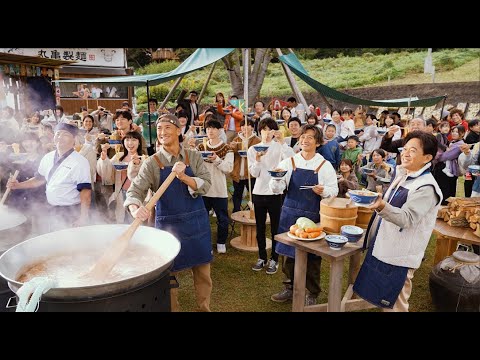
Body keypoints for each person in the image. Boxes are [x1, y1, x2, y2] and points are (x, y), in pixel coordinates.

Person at [124, 114, 213, 312]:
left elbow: (206, 184)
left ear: (178, 130)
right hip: (169, 226)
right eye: (159, 129)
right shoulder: (152, 163)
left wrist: (184, 177)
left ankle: (204, 307)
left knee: (203, 271)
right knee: (169, 274)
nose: (162, 132)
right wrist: (135, 209)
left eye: (167, 128)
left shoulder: (194, 156)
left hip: (196, 222)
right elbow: (134, 191)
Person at [353, 131, 442, 312]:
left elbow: (407, 218)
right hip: (385, 247)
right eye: (405, 148)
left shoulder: (426, 187)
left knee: (396, 304)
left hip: (400, 256)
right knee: (383, 298)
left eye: (413, 150)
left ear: (427, 157)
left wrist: (381, 206)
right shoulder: (404, 175)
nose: (406, 153)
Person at [269, 125, 338, 305]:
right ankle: (290, 288)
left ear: (318, 142)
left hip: (313, 216)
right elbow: (276, 189)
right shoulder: (289, 162)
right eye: (303, 136)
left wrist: (324, 190)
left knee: (313, 257)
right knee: (288, 255)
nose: (305, 140)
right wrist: (276, 179)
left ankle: (312, 292)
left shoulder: (324, 165)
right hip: (290, 213)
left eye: (310, 137)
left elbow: (334, 190)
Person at [7, 123, 92, 233]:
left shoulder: (80, 162)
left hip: (71, 211)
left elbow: (85, 192)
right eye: (58, 133)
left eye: (65, 134)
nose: (60, 137)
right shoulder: (47, 157)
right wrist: (18, 185)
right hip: (52, 209)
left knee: (70, 245)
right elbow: (39, 179)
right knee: (54, 241)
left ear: (74, 139)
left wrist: (83, 217)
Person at [248, 118, 296, 274]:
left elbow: (291, 159)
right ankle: (262, 257)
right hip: (258, 192)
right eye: (264, 129)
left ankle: (274, 259)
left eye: (270, 129)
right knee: (260, 227)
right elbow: (254, 173)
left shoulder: (279, 146)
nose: (267, 132)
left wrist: (282, 142)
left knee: (276, 227)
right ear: (259, 130)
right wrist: (257, 160)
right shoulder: (253, 149)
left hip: (275, 192)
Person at [229, 119, 261, 213]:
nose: (245, 128)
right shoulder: (236, 139)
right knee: (237, 193)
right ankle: (236, 211)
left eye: (247, 125)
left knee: (252, 193)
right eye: (243, 126)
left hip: (250, 172)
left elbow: (259, 153)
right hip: (238, 171)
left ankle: (253, 210)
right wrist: (232, 147)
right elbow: (232, 153)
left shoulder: (257, 140)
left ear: (252, 127)